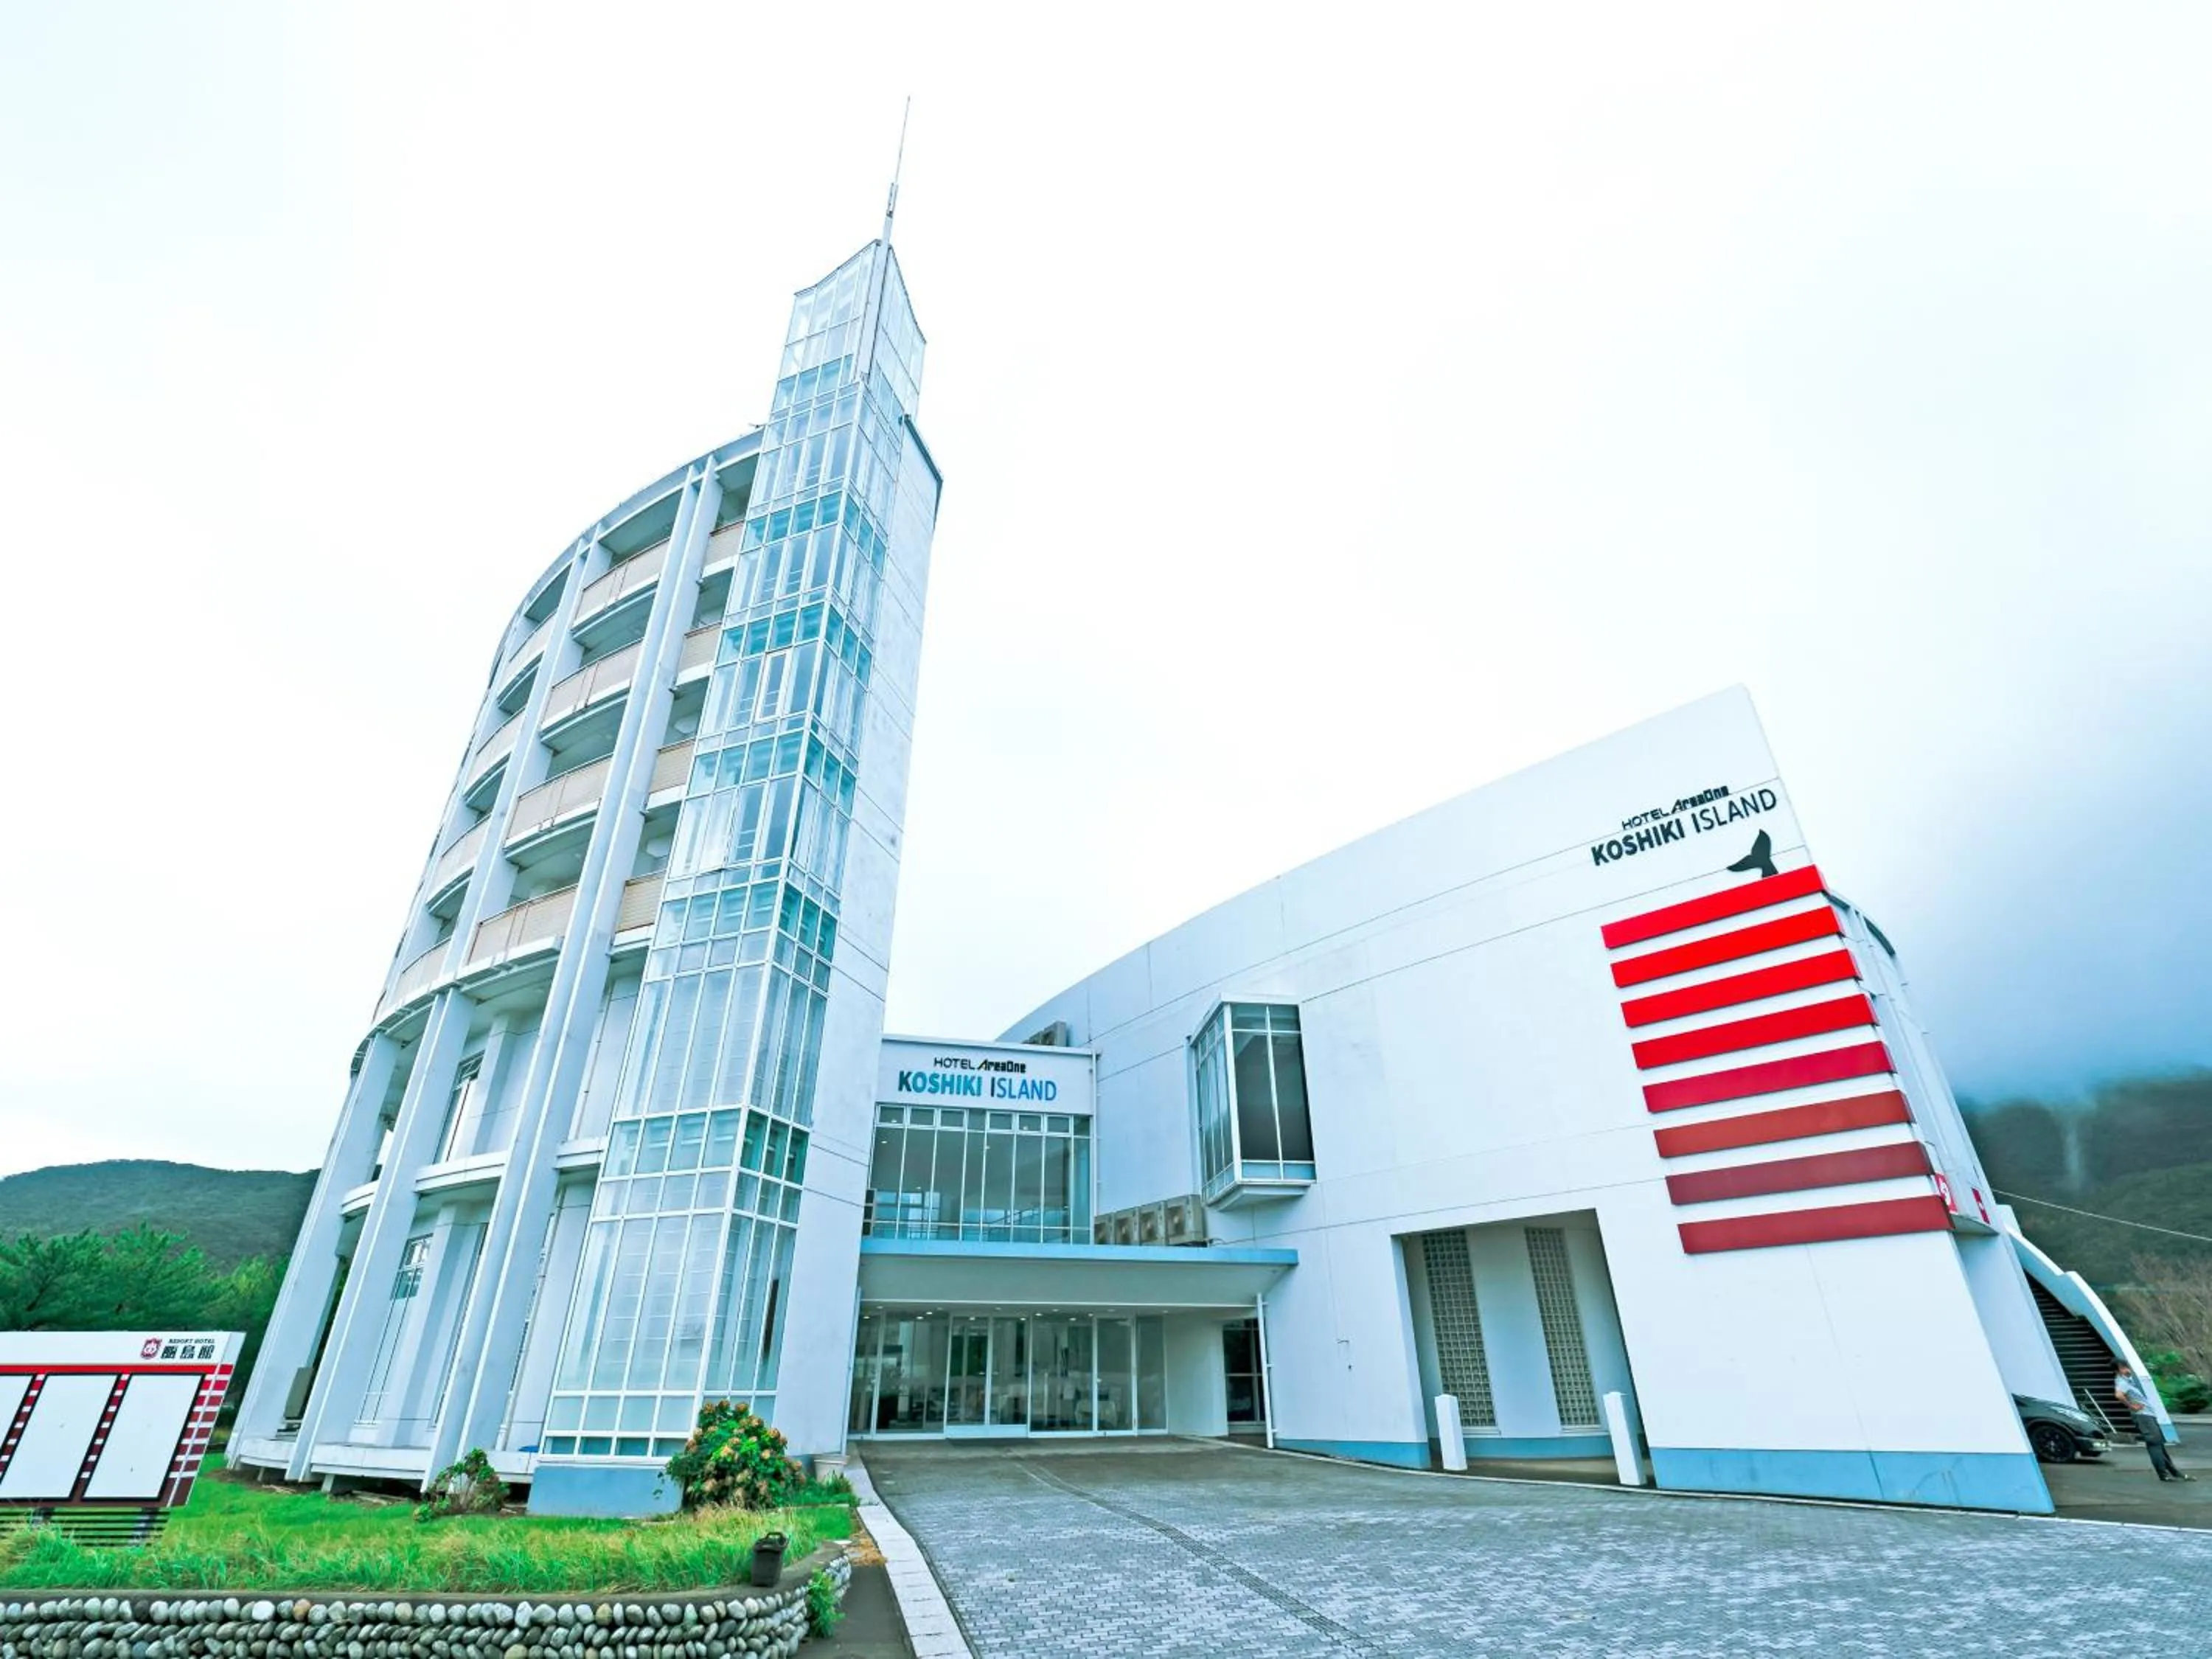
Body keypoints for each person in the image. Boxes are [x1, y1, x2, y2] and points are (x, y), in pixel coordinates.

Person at [2115, 1363, 2191, 1481]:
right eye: (2123, 1368)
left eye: (2127, 1367)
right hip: (2143, 1416)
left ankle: (2173, 1472)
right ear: (2118, 1370)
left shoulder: (2129, 1381)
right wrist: (2132, 1406)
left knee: (2159, 1444)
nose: (2128, 1370)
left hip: (2148, 1415)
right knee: (2154, 1444)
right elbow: (2119, 1395)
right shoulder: (2122, 1382)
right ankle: (2163, 1474)